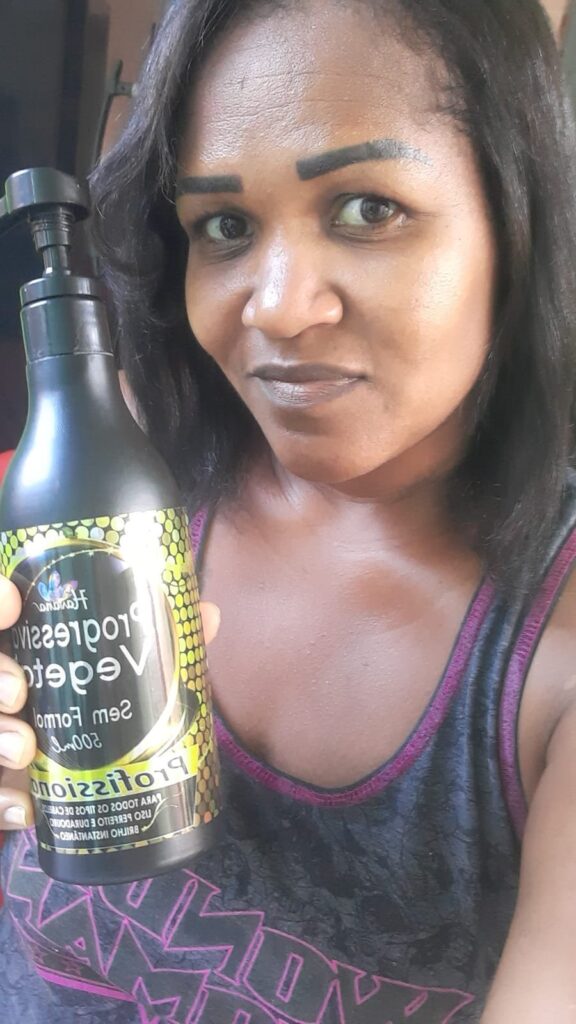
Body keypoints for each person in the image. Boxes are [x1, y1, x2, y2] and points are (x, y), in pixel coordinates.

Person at [1, 0, 576, 1019]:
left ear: (516, 217)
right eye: (224, 226)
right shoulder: (135, 467)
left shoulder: (551, 652)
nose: (275, 306)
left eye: (367, 208)